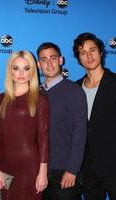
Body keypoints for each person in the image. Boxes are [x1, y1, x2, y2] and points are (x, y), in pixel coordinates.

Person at [73, 32, 116, 200]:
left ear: (101, 53)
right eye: (83, 52)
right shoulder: (74, 89)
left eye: (93, 50)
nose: (89, 55)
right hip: (87, 170)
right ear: (78, 59)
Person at [0, 51, 49, 200]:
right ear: (10, 70)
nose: (21, 73)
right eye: (16, 68)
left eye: (26, 68)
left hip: (30, 167)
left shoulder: (40, 100)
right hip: (5, 166)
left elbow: (43, 138)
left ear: (33, 71)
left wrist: (42, 172)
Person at [36, 42, 87, 200]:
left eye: (53, 58)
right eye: (44, 60)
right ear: (38, 64)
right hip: (38, 171)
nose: (49, 63)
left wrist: (72, 170)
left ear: (61, 60)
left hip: (64, 172)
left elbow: (80, 132)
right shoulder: (35, 93)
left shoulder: (74, 91)